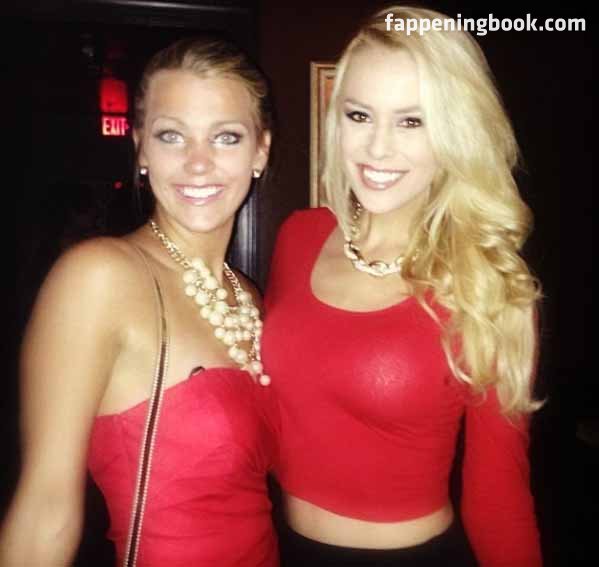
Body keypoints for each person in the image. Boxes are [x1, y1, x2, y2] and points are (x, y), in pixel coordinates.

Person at [263, 5, 542, 567]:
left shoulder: (487, 284)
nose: (377, 148)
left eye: (412, 122)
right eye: (359, 115)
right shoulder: (299, 237)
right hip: (276, 546)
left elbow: (497, 495)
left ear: (457, 133)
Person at [0, 37, 278, 567]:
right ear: (141, 149)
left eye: (226, 137)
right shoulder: (100, 277)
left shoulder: (247, 297)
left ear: (260, 151)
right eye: (172, 136)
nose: (199, 163)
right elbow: (45, 509)